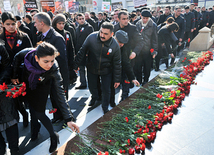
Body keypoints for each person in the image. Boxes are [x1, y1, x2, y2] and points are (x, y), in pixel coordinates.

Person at [11, 42, 79, 153]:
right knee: (31, 108)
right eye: (46, 61)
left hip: (43, 86)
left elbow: (60, 92)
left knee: (39, 112)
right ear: (37, 58)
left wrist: (68, 119)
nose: (50, 65)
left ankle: (53, 135)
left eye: (52, 60)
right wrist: (14, 76)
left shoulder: (53, 69)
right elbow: (16, 58)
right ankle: (34, 129)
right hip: (28, 84)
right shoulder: (26, 54)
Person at [74, 22, 121, 114]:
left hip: (106, 70)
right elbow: (82, 52)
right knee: (92, 86)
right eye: (101, 32)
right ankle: (95, 98)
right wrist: (76, 65)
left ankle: (105, 106)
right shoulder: (91, 37)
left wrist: (117, 79)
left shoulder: (115, 45)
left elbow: (117, 63)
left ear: (112, 34)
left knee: (106, 89)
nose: (102, 35)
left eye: (105, 34)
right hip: (92, 67)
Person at [34, 12, 70, 123]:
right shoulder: (41, 36)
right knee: (53, 97)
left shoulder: (56, 38)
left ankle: (66, 117)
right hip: (48, 74)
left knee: (59, 96)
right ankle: (57, 116)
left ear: (42, 23)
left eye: (35, 22)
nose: (34, 25)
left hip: (57, 74)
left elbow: (61, 59)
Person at [0, 12, 33, 127]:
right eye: (8, 24)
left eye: (13, 24)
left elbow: (31, 55)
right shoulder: (0, 39)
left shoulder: (24, 36)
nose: (11, 26)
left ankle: (27, 118)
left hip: (22, 73)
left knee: (24, 98)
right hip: (7, 75)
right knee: (13, 100)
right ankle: (20, 117)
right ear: (3, 24)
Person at [114, 10, 143, 90]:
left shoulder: (132, 28)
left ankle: (124, 97)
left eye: (127, 18)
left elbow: (140, 41)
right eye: (123, 19)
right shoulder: (115, 27)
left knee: (126, 80)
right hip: (117, 58)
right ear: (118, 19)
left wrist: (135, 52)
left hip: (129, 58)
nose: (126, 21)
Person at [110, 30, 140, 106]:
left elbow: (126, 62)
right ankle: (111, 101)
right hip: (112, 69)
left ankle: (124, 98)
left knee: (126, 81)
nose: (122, 44)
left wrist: (132, 78)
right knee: (111, 85)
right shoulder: (109, 44)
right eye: (120, 42)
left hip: (124, 67)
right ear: (115, 38)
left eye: (123, 43)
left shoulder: (124, 47)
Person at [0, 44, 19, 155]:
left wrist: (1, 82)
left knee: (10, 120)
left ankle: (14, 148)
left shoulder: (1, 48)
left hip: (3, 91)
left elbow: (8, 67)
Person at [135, 10, 158, 85]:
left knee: (147, 67)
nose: (145, 20)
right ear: (141, 16)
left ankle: (145, 80)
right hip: (139, 50)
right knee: (138, 67)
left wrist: (154, 50)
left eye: (147, 18)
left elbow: (155, 39)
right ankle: (139, 80)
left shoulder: (153, 25)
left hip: (148, 50)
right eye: (143, 18)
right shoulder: (137, 24)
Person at [75, 13, 94, 89]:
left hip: (87, 52)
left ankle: (91, 84)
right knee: (81, 68)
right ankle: (83, 83)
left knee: (90, 69)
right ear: (77, 20)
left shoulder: (89, 27)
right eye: (80, 19)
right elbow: (76, 41)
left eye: (82, 18)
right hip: (80, 52)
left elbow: (92, 40)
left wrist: (88, 51)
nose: (82, 20)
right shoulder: (77, 28)